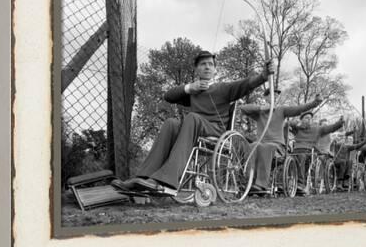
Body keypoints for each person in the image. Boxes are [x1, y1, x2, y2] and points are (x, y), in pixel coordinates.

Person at [111, 50, 274, 195]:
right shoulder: (193, 90)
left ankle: (167, 180)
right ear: (196, 69)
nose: (207, 67)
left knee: (192, 118)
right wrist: (189, 88)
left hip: (216, 132)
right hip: (193, 129)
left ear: (215, 69)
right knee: (171, 123)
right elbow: (168, 96)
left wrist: (263, 76)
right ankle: (143, 178)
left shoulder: (223, 88)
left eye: (211, 64)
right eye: (203, 64)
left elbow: (246, 84)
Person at [240, 90, 322, 193]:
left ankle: (261, 184)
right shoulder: (259, 112)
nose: (275, 97)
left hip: (277, 146)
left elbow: (298, 109)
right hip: (261, 142)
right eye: (272, 95)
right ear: (265, 97)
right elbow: (243, 108)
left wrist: (315, 102)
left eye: (277, 96)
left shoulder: (281, 110)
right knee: (253, 145)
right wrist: (261, 108)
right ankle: (249, 181)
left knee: (267, 147)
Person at [291, 112, 345, 192]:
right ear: (301, 119)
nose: (308, 120)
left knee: (302, 158)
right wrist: (298, 124)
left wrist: (339, 123)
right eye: (306, 118)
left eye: (310, 118)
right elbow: (290, 123)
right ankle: (288, 182)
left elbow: (331, 128)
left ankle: (301, 184)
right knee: (289, 159)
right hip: (296, 150)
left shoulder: (317, 128)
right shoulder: (298, 128)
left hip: (309, 151)